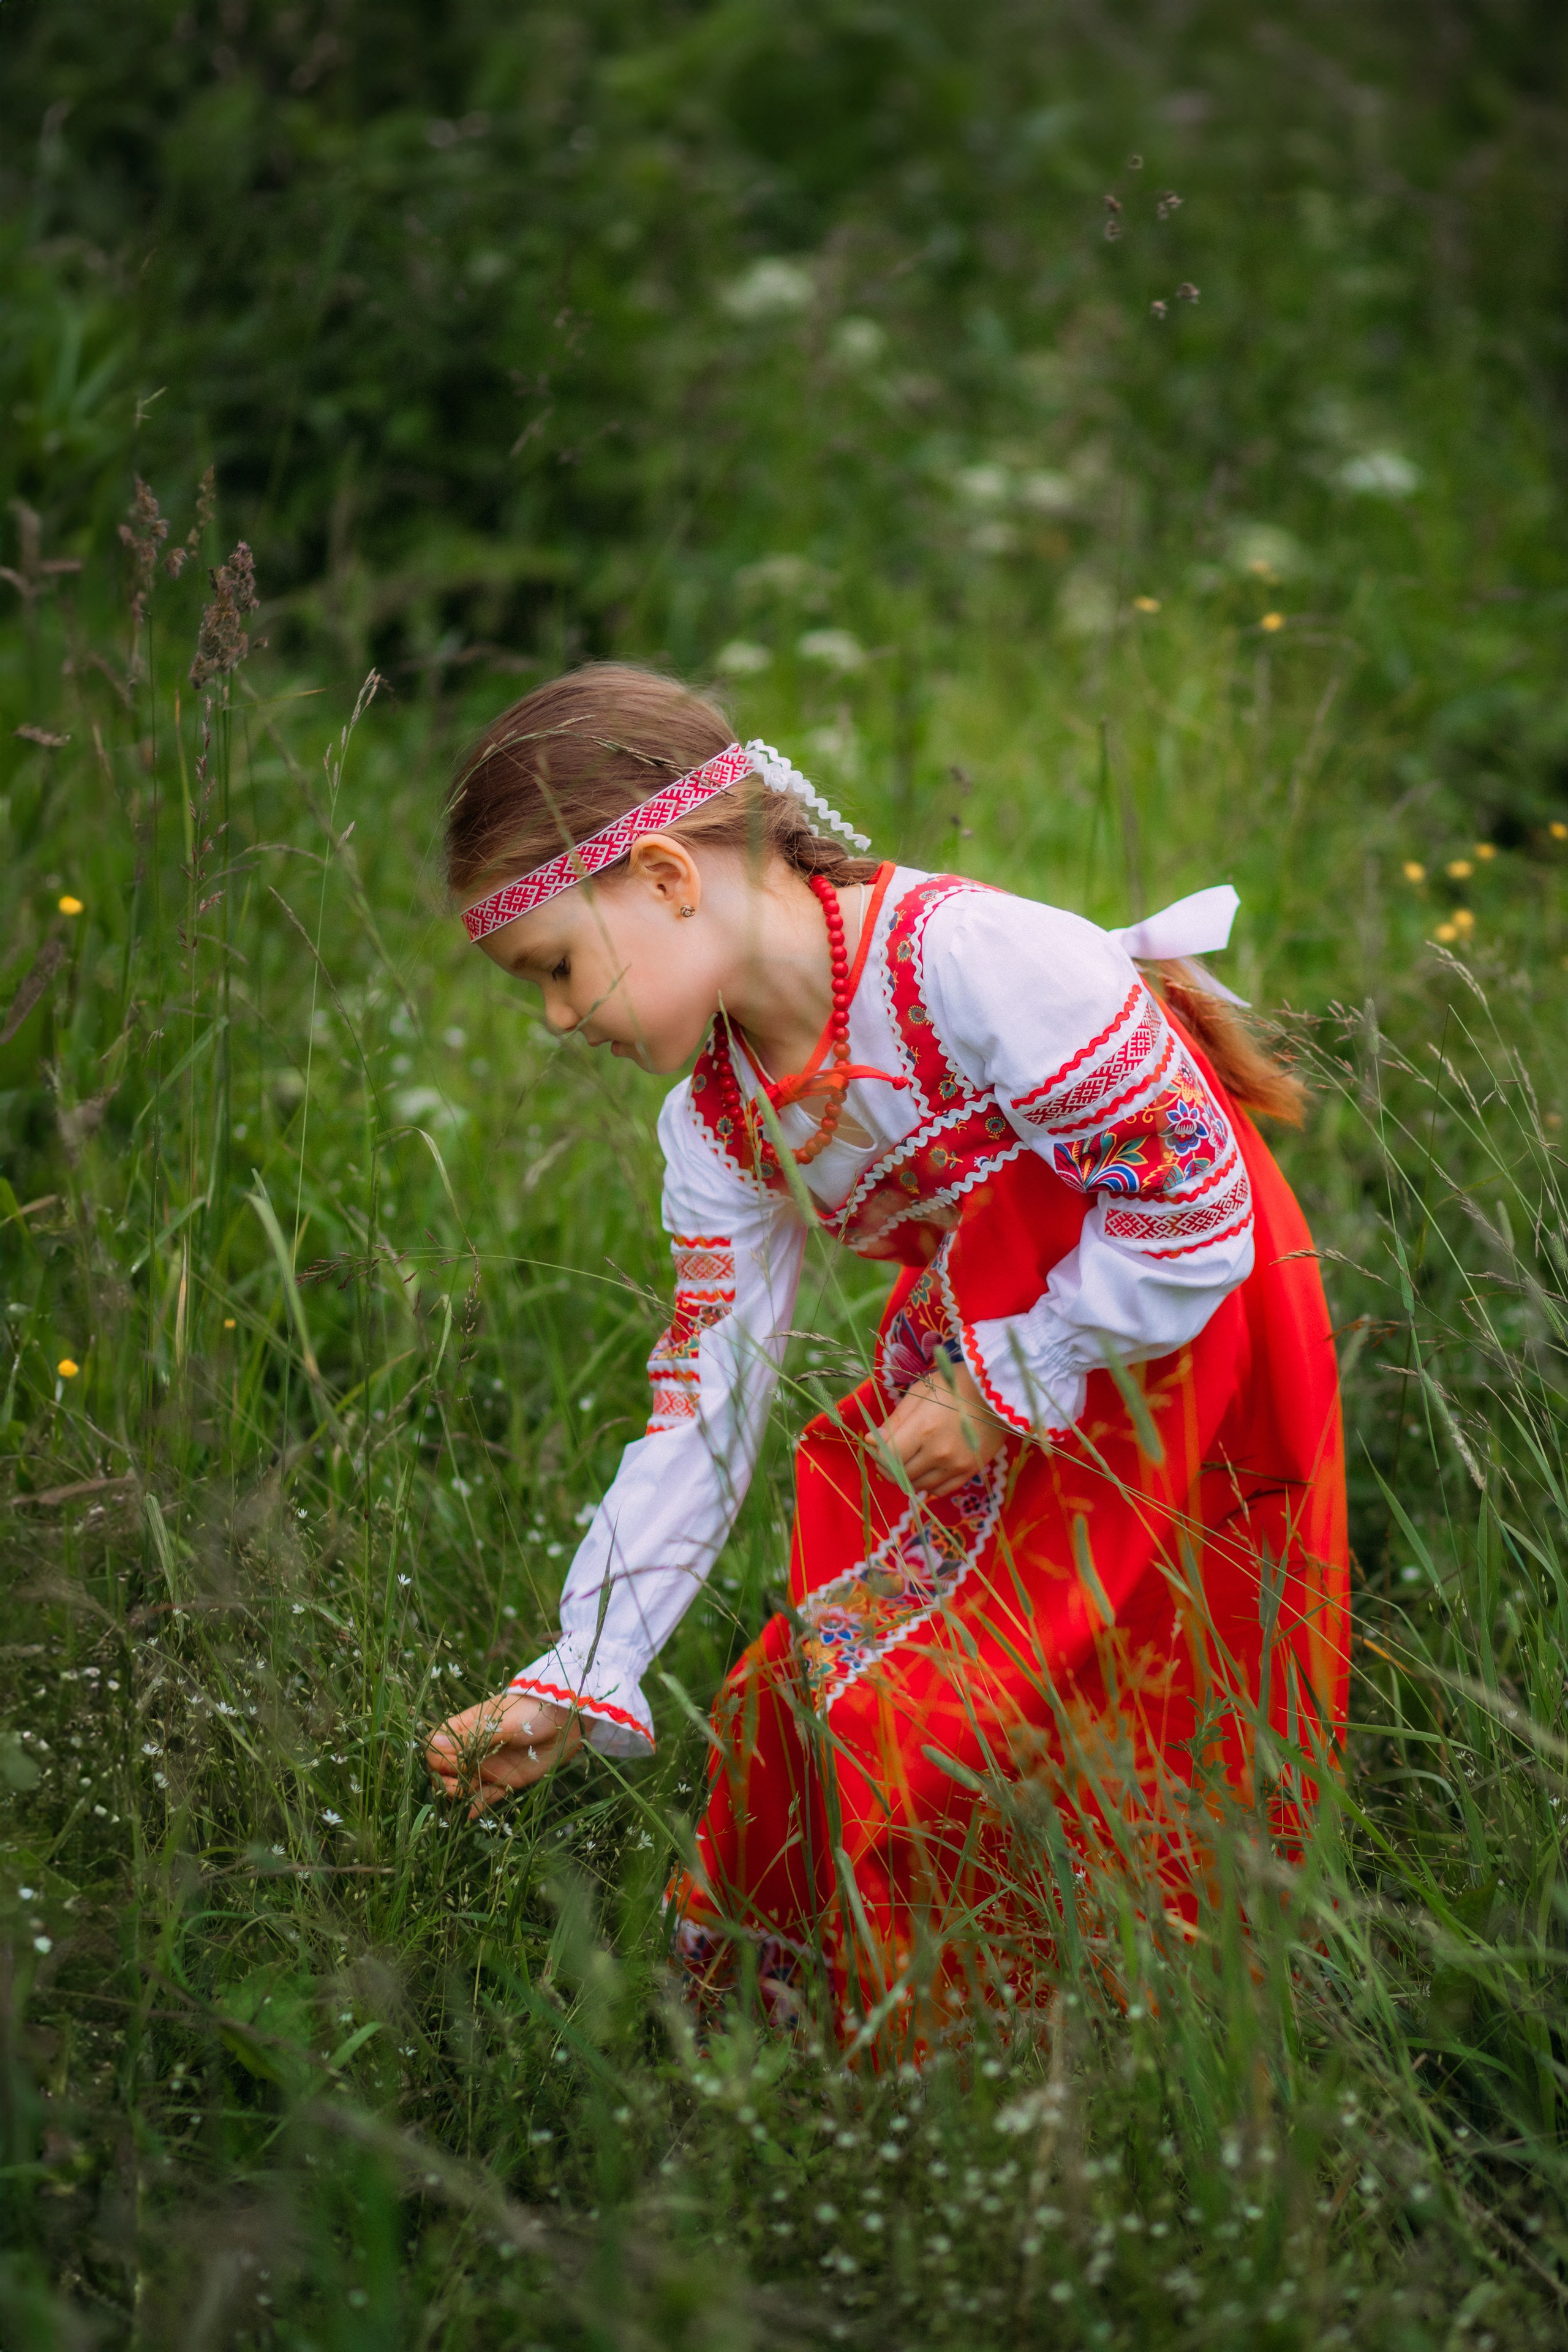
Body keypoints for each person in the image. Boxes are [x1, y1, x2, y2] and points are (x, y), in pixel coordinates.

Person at [426, 662, 1349, 2036]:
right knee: (819, 1697)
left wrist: (997, 1385)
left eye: (554, 969)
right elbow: (704, 1401)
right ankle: (905, 2053)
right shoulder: (721, 1124)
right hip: (1002, 1361)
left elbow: (1191, 1211)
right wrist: (585, 1660)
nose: (558, 1018)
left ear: (669, 878)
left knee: (1109, 1696)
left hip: (1177, 1332)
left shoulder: (975, 962)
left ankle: (1130, 2024)